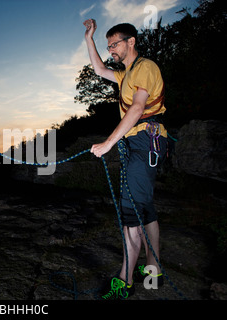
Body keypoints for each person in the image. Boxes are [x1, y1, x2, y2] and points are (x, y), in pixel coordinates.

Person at [83, 19, 167, 299]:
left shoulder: (145, 67)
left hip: (145, 140)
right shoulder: (125, 74)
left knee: (131, 213)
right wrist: (89, 38)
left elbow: (138, 108)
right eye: (108, 46)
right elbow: (98, 69)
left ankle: (125, 281)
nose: (111, 50)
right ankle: (153, 268)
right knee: (145, 207)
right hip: (138, 143)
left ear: (131, 41)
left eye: (114, 44)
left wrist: (108, 143)